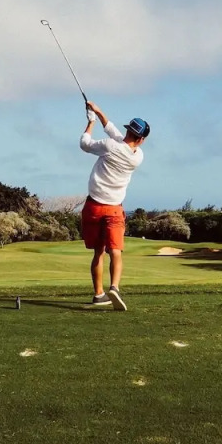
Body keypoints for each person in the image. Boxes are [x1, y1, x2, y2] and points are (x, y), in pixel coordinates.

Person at [79, 100, 150, 311]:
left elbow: (85, 143)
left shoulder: (110, 147)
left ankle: (99, 294)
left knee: (98, 252)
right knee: (116, 250)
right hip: (114, 209)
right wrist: (99, 112)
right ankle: (115, 288)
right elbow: (115, 134)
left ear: (129, 130)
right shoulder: (138, 156)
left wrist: (91, 122)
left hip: (93, 207)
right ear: (142, 140)